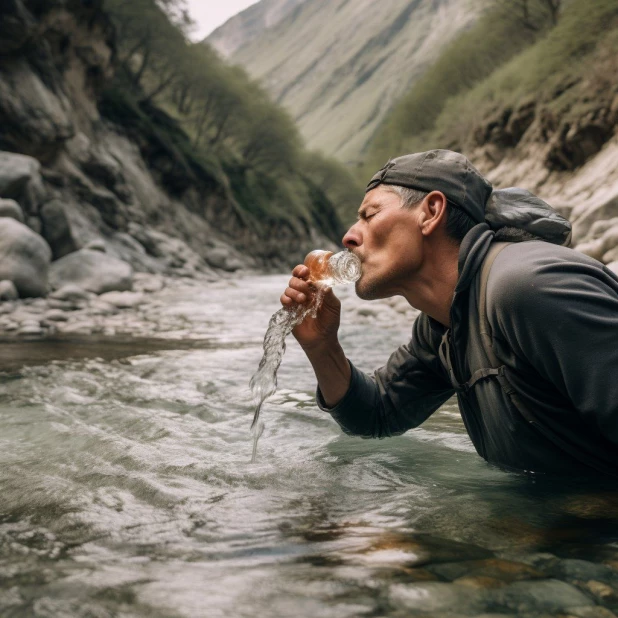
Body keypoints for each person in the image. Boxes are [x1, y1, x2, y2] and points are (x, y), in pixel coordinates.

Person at [281, 149, 618, 477]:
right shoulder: (444, 323)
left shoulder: (530, 288)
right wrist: (323, 348)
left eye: (369, 215)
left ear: (430, 212)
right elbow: (376, 415)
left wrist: (583, 517)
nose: (349, 236)